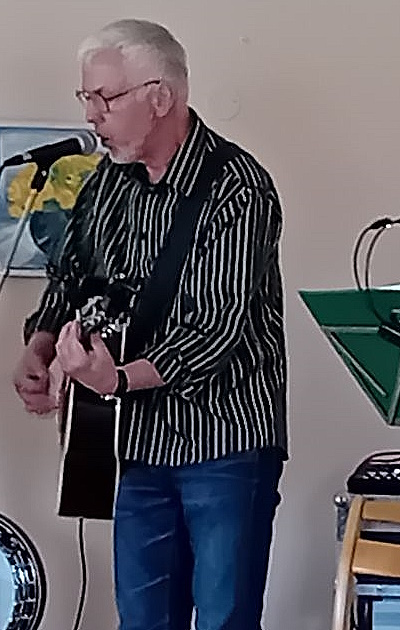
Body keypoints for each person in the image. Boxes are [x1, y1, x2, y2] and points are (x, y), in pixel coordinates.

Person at [12, 18, 287, 630]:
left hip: (224, 440)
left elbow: (213, 330)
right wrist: (41, 343)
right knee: (141, 621)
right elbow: (73, 273)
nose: (91, 116)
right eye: (86, 97)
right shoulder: (108, 182)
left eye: (104, 98)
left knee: (224, 619)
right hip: (135, 443)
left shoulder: (238, 189)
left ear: (160, 97)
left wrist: (114, 380)